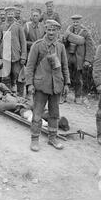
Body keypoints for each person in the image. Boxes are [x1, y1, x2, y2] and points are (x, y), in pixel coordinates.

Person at [25, 19, 70, 152]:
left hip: (56, 85)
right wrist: (29, 84)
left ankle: (52, 138)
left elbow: (65, 67)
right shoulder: (38, 45)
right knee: (37, 114)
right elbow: (30, 67)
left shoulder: (60, 47)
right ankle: (34, 139)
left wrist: (66, 83)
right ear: (45, 29)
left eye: (54, 30)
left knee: (54, 114)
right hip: (40, 86)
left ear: (58, 31)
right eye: (49, 29)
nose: (51, 32)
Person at [62, 14, 95, 104]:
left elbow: (90, 46)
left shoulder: (85, 33)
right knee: (65, 75)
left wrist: (87, 60)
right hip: (68, 56)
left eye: (77, 22)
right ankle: (63, 95)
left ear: (80, 22)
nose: (75, 24)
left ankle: (78, 96)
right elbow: (63, 44)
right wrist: (64, 39)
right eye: (74, 22)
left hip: (79, 58)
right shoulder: (68, 31)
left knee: (78, 77)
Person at [0, 7, 27, 97]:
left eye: (12, 14)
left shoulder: (18, 26)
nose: (10, 16)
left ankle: (20, 95)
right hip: (5, 56)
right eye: (8, 14)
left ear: (14, 14)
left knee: (18, 76)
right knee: (6, 77)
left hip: (16, 56)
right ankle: (7, 95)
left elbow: (23, 42)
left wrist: (23, 56)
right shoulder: (2, 26)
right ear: (6, 15)